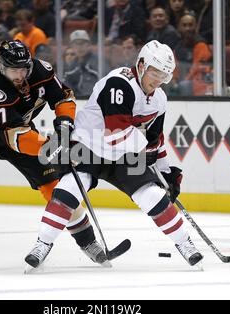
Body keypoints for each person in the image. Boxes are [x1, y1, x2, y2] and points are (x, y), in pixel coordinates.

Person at [25, 40, 204, 270]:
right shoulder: (118, 84)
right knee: (68, 190)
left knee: (152, 195)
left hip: (123, 153)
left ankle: (185, 244)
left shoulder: (160, 100)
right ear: (141, 65)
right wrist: (145, 150)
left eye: (165, 76)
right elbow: (116, 135)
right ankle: (43, 244)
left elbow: (155, 140)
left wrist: (166, 171)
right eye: (155, 72)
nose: (158, 80)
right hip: (89, 146)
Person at [0, 40, 108, 269]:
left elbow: (63, 96)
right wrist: (54, 147)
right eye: (14, 70)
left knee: (56, 187)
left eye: (24, 68)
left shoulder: (42, 71)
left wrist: (64, 124)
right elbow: (16, 136)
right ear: (2, 67)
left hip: (21, 131)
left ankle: (88, 241)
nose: (20, 75)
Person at [63, 30, 100, 98]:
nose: (79, 47)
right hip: (77, 101)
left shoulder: (98, 62)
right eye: (76, 44)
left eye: (82, 43)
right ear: (72, 46)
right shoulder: (73, 65)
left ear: (88, 45)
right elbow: (66, 86)